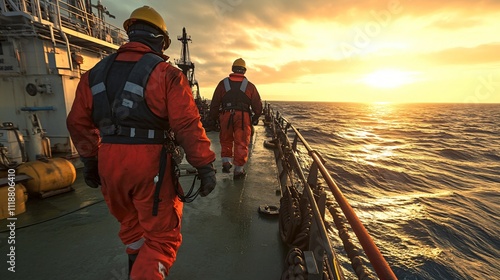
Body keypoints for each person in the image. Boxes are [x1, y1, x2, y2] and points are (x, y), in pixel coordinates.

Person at [66, 6, 216, 279]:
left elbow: (77, 122)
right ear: (160, 40)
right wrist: (204, 166)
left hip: (108, 161)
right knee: (162, 239)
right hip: (149, 164)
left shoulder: (93, 74)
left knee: (132, 228)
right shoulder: (167, 74)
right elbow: (186, 125)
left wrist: (90, 161)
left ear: (131, 34)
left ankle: (135, 268)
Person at [209, 58, 262, 179]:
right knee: (241, 142)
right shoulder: (250, 86)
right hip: (243, 117)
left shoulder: (223, 84)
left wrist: (213, 118)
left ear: (232, 69)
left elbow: (215, 103)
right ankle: (238, 170)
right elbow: (257, 105)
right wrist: (255, 117)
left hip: (226, 115)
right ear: (244, 70)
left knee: (225, 139)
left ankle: (226, 162)